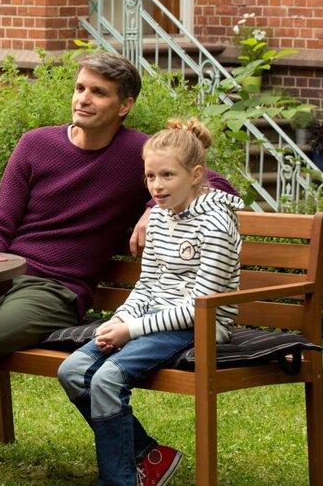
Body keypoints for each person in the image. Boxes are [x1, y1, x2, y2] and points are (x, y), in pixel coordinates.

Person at [0, 52, 239, 480]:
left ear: (124, 106)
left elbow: (214, 184)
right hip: (2, 274)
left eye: (98, 92)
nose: (83, 99)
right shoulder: (35, 144)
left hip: (56, 289)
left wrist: (147, 209)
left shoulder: (137, 154)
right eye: (80, 88)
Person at [57, 118, 244, 486]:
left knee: (108, 377)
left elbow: (198, 307)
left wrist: (131, 330)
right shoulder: (159, 216)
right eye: (150, 177)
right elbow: (147, 284)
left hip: (201, 325)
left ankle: (118, 481)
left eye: (167, 176)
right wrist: (120, 319)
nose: (157, 187)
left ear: (195, 175)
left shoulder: (218, 224)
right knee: (73, 372)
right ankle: (147, 456)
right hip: (154, 319)